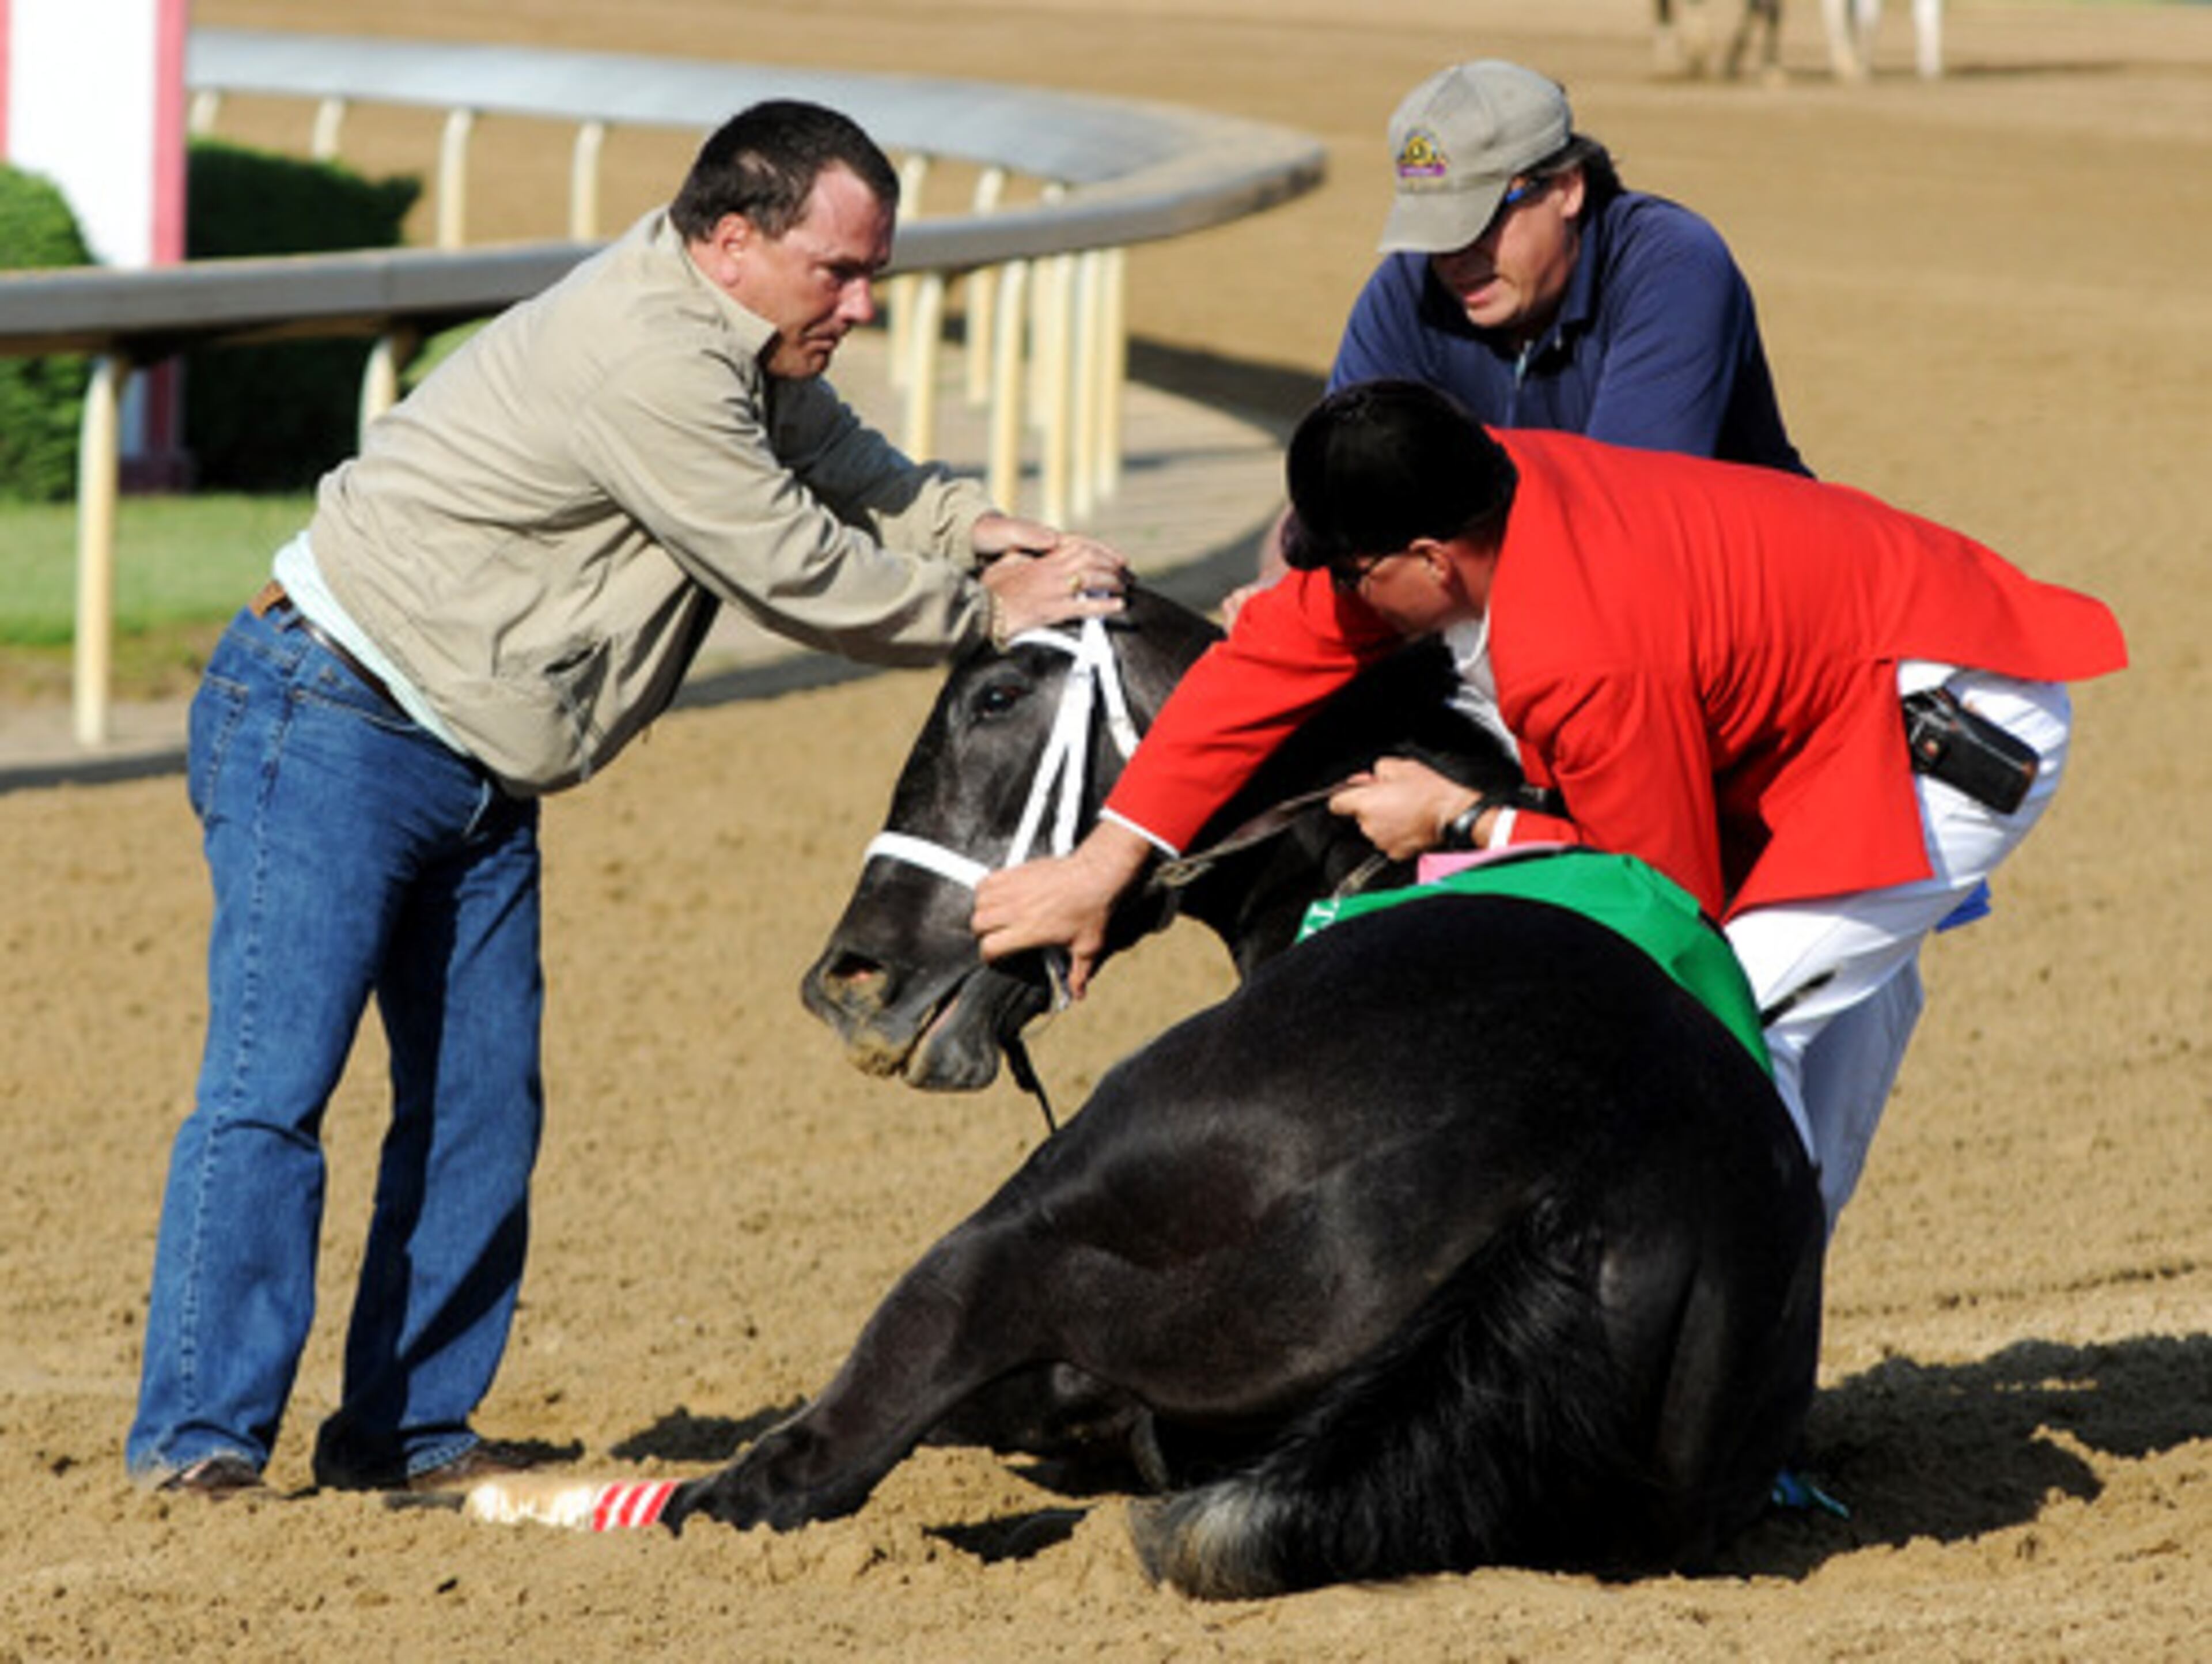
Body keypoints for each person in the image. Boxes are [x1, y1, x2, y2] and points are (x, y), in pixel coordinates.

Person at [126, 99, 1130, 1499]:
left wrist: (980, 527)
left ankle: (405, 1437)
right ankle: (200, 1445)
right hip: (328, 713)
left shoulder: (746, 341)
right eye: (836, 272)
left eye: (872, 277)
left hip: (473, 752)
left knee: (482, 1101)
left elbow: (853, 469)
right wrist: (983, 603)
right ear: (730, 240)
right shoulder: (649, 357)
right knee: (273, 1087)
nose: (858, 304)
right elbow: (792, 565)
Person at [973, 380, 2125, 1233]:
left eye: (1353, 569)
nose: (1334, 592)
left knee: (1704, 1023)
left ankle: (1733, 1374)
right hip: (1833, 706)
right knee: (1766, 1022)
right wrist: (1100, 868)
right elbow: (1258, 667)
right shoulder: (1479, 488)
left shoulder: (1586, 649)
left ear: (1429, 558)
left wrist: (1463, 822)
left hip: (1942, 723)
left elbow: (1663, 899)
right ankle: (1759, 1357)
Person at [1241, 59, 1803, 597]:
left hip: (1753, 608)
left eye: (1479, 221)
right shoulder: (1407, 288)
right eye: (1435, 231)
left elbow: (1616, 519)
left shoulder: (1673, 266)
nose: (1456, 255)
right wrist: (1277, 583)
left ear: (1566, 188)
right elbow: (1334, 493)